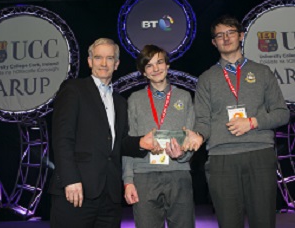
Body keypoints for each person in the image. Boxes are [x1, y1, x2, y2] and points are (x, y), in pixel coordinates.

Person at [48, 38, 160, 228]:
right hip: (77, 191)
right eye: (98, 57)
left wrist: (141, 143)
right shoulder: (73, 89)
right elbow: (62, 139)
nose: (103, 63)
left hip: (110, 196)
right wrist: (70, 179)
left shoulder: (120, 102)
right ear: (89, 61)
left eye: (109, 58)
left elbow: (120, 143)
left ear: (116, 64)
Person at [193, 15, 290, 228]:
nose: (226, 38)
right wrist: (196, 136)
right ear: (214, 42)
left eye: (230, 33)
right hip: (222, 159)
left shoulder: (263, 72)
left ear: (241, 36)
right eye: (220, 35)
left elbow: (282, 113)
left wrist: (253, 122)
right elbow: (202, 121)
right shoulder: (206, 79)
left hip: (259, 154)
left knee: (263, 221)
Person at [122, 45, 203, 228]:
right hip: (143, 176)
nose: (156, 68)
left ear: (167, 65)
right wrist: (128, 181)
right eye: (149, 65)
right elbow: (128, 143)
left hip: (178, 174)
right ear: (143, 72)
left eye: (159, 62)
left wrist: (182, 155)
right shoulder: (134, 99)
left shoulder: (185, 96)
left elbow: (190, 138)